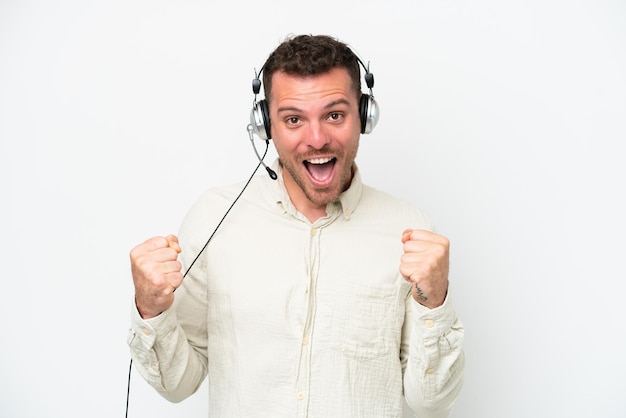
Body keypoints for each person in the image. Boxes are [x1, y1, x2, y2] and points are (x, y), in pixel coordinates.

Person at [128, 34, 464, 418]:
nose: (317, 139)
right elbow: (178, 385)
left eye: (335, 115)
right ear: (265, 125)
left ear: (364, 116)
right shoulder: (213, 218)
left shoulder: (409, 229)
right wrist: (151, 309)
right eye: (293, 120)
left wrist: (434, 301)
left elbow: (431, 402)